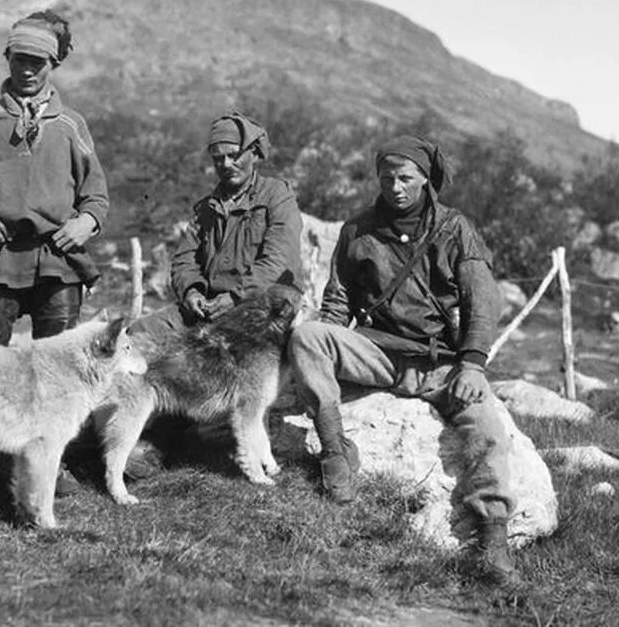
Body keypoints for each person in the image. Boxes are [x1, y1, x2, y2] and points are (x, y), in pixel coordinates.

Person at [286, 134, 521, 587]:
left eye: (406, 178)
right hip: (377, 354)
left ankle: (492, 536)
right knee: (309, 336)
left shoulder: (454, 228)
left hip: (439, 362)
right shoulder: (357, 230)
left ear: (426, 180)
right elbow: (337, 301)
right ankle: (336, 451)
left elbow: (482, 299)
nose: (395, 186)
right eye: (387, 177)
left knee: (488, 430)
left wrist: (472, 364)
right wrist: (329, 339)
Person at [0, 9, 109, 503]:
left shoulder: (72, 125)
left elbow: (96, 195)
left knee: (59, 376)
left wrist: (86, 223)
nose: (29, 70)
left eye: (39, 61)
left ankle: (48, 470)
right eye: (20, 59)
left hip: (57, 262)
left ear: (53, 65)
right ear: (7, 58)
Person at [132, 112, 304, 340]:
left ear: (253, 153)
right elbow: (184, 260)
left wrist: (235, 298)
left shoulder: (277, 196)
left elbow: (277, 260)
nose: (226, 164)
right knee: (138, 334)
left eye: (234, 155)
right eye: (218, 159)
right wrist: (192, 292)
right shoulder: (206, 209)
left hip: (264, 306)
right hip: (212, 307)